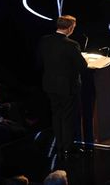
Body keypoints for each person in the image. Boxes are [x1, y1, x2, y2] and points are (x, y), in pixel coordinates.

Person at [38, 15, 87, 159]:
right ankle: (68, 147)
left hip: (50, 84)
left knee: (56, 114)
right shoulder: (71, 44)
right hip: (66, 86)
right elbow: (82, 66)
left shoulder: (44, 40)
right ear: (71, 28)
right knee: (67, 116)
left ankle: (59, 144)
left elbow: (39, 62)